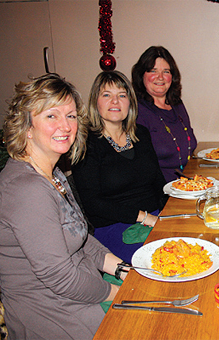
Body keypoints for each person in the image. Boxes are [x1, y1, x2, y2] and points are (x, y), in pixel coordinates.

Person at [0, 74, 128, 339]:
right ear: (27, 126)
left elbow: (81, 238)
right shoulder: (26, 190)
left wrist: (123, 270)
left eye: (71, 116)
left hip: (78, 291)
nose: (65, 126)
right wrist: (115, 292)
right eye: (51, 116)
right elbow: (61, 278)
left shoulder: (53, 174)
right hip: (51, 312)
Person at [71, 70, 166, 263]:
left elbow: (158, 182)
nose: (115, 101)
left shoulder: (142, 134)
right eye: (107, 95)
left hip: (154, 218)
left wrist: (168, 214)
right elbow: (93, 203)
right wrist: (144, 217)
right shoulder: (86, 143)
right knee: (163, 260)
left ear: (130, 102)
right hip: (113, 227)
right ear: (95, 102)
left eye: (122, 95)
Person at [131, 46, 197, 182]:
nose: (160, 77)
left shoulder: (177, 105)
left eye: (166, 71)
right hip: (161, 191)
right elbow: (141, 166)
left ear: (172, 77)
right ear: (141, 75)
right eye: (153, 71)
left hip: (189, 182)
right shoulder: (137, 111)